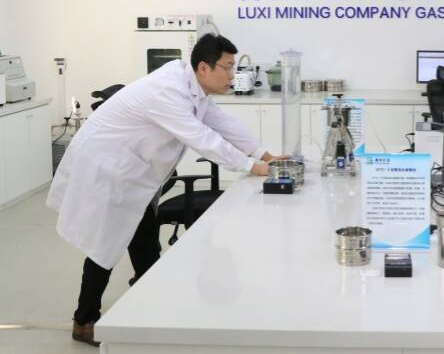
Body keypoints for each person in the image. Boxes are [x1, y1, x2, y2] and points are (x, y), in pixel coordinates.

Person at [47, 33, 281, 346]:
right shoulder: (167, 91)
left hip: (132, 175)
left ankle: (151, 303)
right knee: (105, 247)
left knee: (144, 242)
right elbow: (203, 139)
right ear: (204, 68)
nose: (232, 75)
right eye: (227, 67)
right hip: (108, 169)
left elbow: (224, 125)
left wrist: (266, 155)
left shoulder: (194, 90)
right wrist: (252, 166)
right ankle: (84, 321)